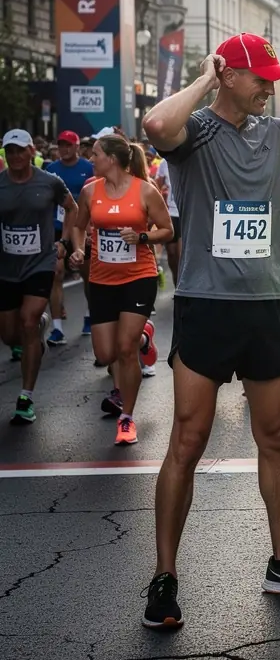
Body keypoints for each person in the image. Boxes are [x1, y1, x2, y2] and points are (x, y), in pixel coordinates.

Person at [140, 32, 280, 630]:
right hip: (206, 304)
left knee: (275, 437)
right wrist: (204, 79)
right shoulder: (196, 132)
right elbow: (157, 126)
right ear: (228, 76)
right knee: (187, 442)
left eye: (273, 76)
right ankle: (164, 575)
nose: (270, 85)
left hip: (266, 303)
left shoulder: (279, 135)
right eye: (259, 76)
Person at [68, 134, 173, 446]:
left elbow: (167, 230)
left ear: (111, 159)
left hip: (138, 277)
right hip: (101, 279)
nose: (92, 159)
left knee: (125, 352)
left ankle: (126, 418)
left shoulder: (144, 190)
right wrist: (78, 249)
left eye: (96, 154)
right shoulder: (90, 191)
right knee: (106, 353)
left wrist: (141, 238)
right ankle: (145, 337)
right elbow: (78, 224)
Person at [0, 130, 78, 424]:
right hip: (7, 267)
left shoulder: (49, 182)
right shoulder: (1, 184)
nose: (16, 156)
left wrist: (65, 242)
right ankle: (43, 323)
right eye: (10, 151)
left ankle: (25, 397)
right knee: (9, 334)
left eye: (21, 150)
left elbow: (72, 208)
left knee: (28, 322)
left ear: (32, 150)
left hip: (40, 263)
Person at [45, 130, 94, 345]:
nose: (63, 149)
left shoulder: (88, 168)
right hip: (57, 228)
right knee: (55, 274)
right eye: (60, 145)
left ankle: (89, 316)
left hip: (81, 227)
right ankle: (57, 328)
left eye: (68, 145)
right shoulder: (50, 170)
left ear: (77, 147)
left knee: (88, 275)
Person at [154, 155, 181, 286]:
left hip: (186, 214)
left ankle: (182, 286)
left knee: (181, 255)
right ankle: (177, 282)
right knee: (171, 253)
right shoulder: (165, 163)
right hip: (171, 214)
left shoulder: (192, 159)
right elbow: (156, 186)